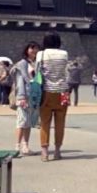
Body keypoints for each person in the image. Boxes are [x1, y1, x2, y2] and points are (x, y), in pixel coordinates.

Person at [35, 31, 69, 161]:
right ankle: (57, 150)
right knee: (60, 122)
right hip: (63, 91)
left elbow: (38, 72)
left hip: (46, 91)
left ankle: (44, 151)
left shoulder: (41, 54)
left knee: (45, 122)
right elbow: (65, 72)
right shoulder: (64, 54)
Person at [12, 42, 40, 157]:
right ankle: (17, 146)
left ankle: (25, 146)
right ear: (27, 50)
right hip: (24, 96)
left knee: (28, 122)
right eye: (32, 48)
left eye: (37, 49)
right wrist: (21, 97)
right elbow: (20, 81)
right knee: (21, 122)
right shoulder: (22, 64)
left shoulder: (37, 64)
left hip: (33, 96)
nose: (34, 51)